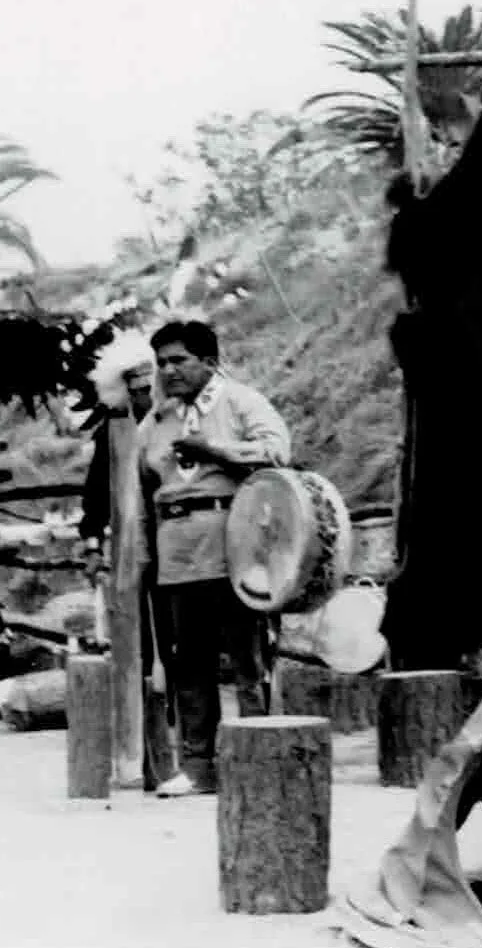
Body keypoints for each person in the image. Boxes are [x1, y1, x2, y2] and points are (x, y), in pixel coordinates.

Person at [135, 318, 290, 797]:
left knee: (248, 656)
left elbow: (277, 453)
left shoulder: (241, 401)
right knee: (189, 661)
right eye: (162, 363)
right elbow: (141, 492)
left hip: (235, 542)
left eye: (179, 360)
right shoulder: (155, 421)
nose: (169, 371)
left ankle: (260, 761)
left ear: (209, 360)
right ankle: (199, 766)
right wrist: (142, 555)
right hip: (177, 549)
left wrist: (216, 450)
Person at [81, 329, 180, 791]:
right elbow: (96, 495)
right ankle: (145, 755)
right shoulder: (114, 432)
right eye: (135, 390)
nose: (144, 396)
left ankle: (183, 748)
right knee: (137, 648)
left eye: (149, 387)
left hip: (178, 544)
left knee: (178, 643)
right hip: (131, 551)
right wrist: (92, 542)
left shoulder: (180, 420)